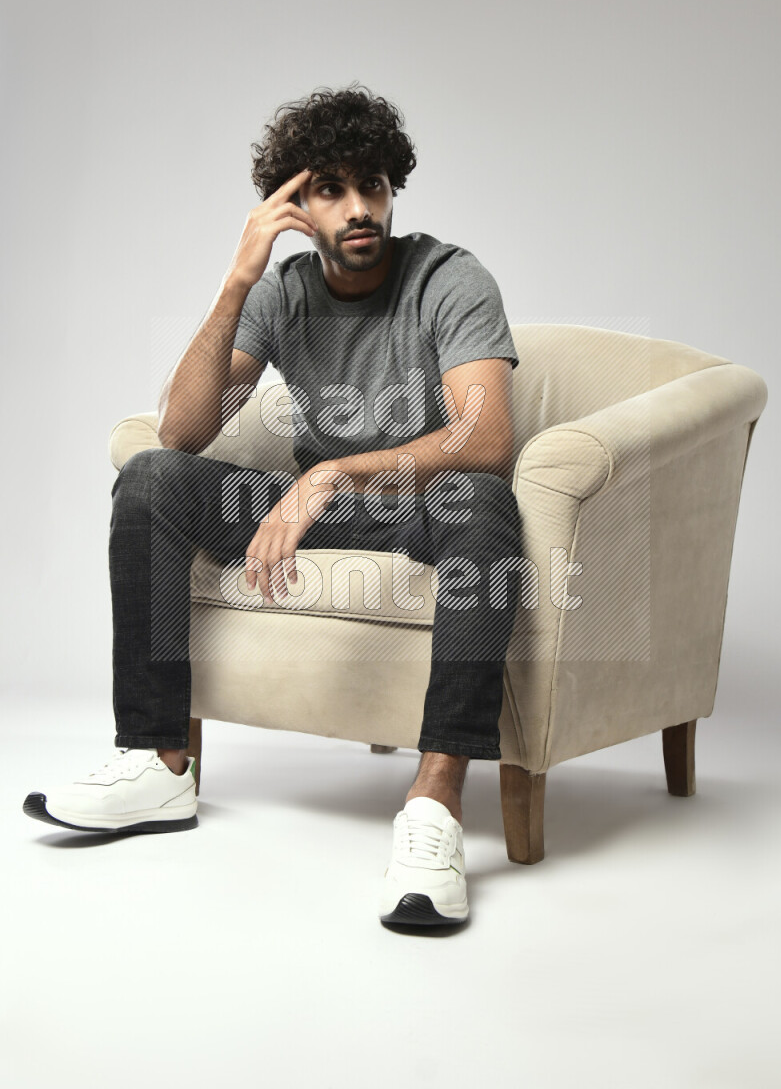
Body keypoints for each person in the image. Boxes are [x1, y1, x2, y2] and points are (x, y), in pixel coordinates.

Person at [23, 83, 524, 928]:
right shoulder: (283, 289)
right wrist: (237, 281)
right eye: (330, 188)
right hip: (306, 503)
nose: (359, 207)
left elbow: (484, 439)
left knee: (483, 504)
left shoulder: (449, 276)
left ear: (394, 186)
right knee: (151, 477)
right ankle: (158, 762)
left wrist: (328, 476)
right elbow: (182, 430)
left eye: (372, 183)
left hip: (420, 497)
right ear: (295, 204)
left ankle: (434, 805)